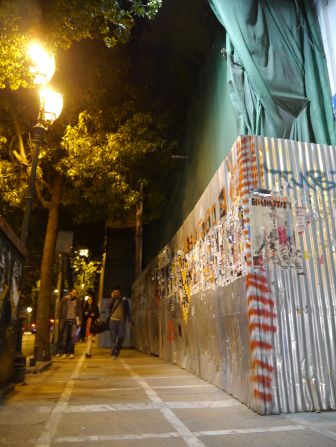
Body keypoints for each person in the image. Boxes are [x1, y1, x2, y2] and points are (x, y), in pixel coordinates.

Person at [107, 286, 131, 359]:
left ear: (119, 292)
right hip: (112, 320)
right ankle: (114, 352)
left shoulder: (124, 299)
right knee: (112, 337)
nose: (115, 293)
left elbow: (127, 309)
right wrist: (112, 297)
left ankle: (117, 349)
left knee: (121, 336)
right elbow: (108, 306)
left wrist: (129, 319)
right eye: (114, 292)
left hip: (121, 321)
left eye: (116, 292)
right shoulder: (112, 299)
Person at [59, 288, 82, 359]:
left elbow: (80, 311)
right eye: (74, 293)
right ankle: (64, 353)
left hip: (74, 321)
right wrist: (59, 318)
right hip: (66, 321)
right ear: (70, 293)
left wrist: (80, 319)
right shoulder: (65, 300)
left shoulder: (78, 301)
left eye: (76, 293)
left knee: (73, 338)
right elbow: (59, 308)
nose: (75, 294)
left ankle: (72, 353)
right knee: (65, 337)